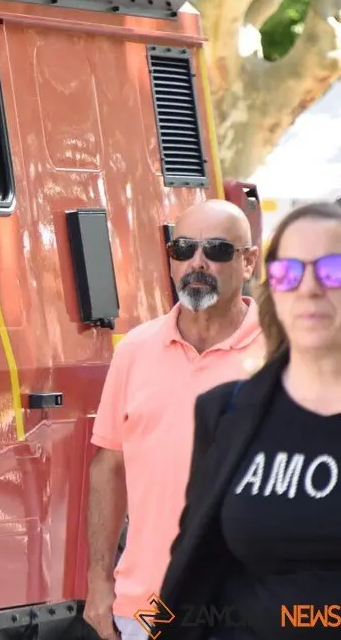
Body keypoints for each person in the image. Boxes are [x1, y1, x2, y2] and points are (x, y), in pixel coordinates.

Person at [84, 199, 265, 640]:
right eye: (183, 249)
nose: (196, 263)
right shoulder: (135, 350)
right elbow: (109, 466)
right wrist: (99, 580)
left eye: (217, 250)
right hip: (145, 611)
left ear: (249, 261)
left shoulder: (284, 354)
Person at [159, 202, 341, 640]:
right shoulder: (224, 412)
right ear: (272, 289)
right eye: (289, 273)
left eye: (332, 269)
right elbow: (197, 565)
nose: (309, 288)